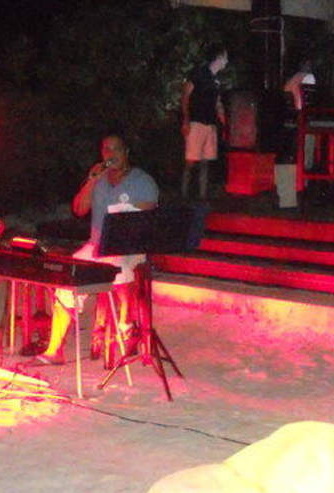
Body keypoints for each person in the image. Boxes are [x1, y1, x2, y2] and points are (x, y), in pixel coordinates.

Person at [38, 133, 159, 364]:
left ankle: (126, 326)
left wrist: (124, 210)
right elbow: (79, 209)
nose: (111, 154)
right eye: (106, 149)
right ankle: (55, 350)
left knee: (119, 270)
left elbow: (149, 212)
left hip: (129, 247)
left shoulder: (142, 180)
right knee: (67, 278)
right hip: (97, 245)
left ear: (126, 152)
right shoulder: (99, 180)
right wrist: (91, 181)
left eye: (116, 149)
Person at [180, 48, 228, 199]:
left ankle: (202, 196)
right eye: (225, 57)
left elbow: (217, 103)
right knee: (191, 161)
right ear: (218, 58)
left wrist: (223, 120)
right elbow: (185, 95)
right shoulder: (199, 74)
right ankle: (184, 195)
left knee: (205, 161)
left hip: (210, 124)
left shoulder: (216, 81)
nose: (226, 61)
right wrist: (186, 119)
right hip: (196, 123)